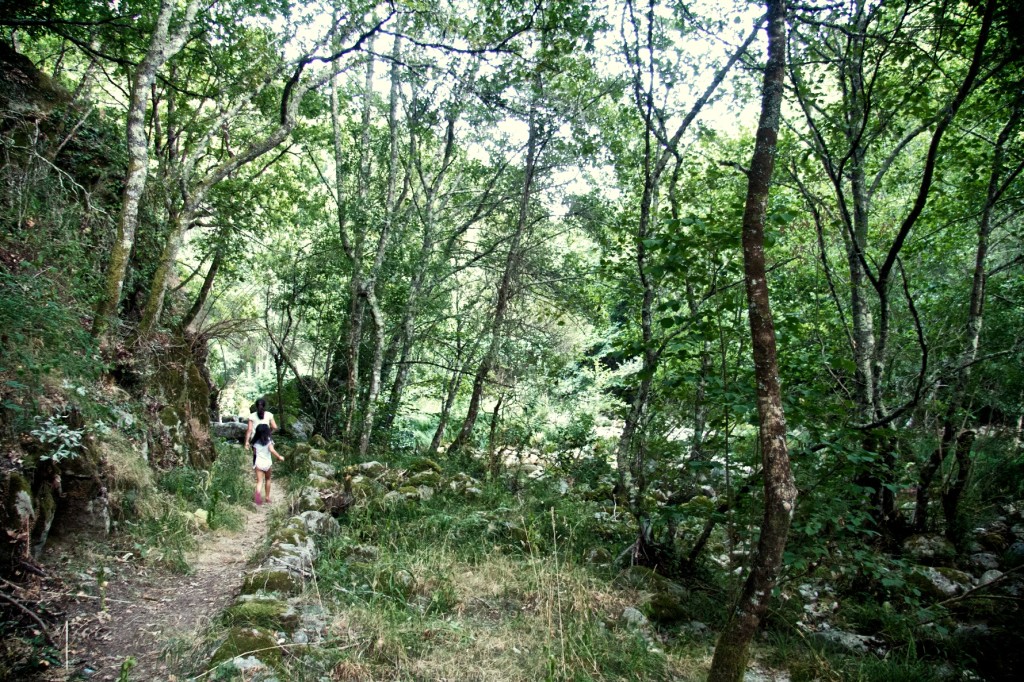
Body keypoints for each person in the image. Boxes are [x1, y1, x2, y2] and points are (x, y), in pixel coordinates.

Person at [251, 424, 284, 505]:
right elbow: (272, 450)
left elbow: (254, 453)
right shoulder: (269, 441)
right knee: (268, 479)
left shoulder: (255, 443)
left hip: (258, 464)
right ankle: (267, 497)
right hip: (267, 464)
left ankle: (257, 497)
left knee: (259, 482)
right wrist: (279, 457)